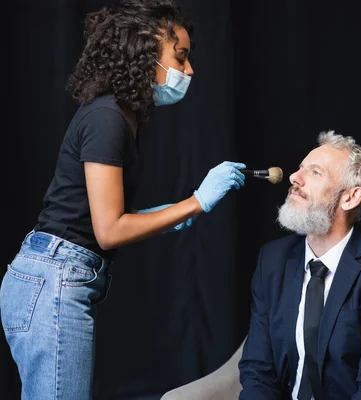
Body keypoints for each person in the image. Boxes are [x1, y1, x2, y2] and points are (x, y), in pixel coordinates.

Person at [0, 1, 245, 399]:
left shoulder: (123, 116)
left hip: (55, 275)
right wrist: (197, 202)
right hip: (54, 279)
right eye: (179, 57)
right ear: (144, 50)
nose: (189, 71)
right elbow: (109, 230)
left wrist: (167, 214)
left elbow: (98, 216)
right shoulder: (106, 118)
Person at [238, 131, 361, 399]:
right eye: (300, 169)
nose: (294, 178)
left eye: (314, 173)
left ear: (350, 197)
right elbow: (258, 370)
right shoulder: (273, 260)